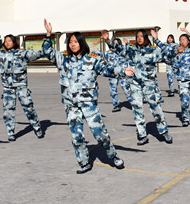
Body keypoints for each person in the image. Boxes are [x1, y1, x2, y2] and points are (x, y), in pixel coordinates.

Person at [43, 19, 132, 174]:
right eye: (70, 42)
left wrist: (122, 71)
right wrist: (48, 34)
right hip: (71, 105)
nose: (72, 44)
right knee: (76, 137)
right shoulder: (63, 58)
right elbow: (47, 51)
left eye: (75, 42)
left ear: (82, 43)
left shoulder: (92, 58)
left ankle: (113, 156)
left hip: (88, 103)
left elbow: (106, 69)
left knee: (100, 134)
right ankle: (84, 162)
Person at [104, 29, 172, 145]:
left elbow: (168, 56)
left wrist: (157, 40)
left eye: (141, 36)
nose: (139, 38)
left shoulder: (153, 51)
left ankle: (164, 131)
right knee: (137, 109)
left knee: (155, 107)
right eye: (137, 36)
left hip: (149, 84)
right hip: (134, 83)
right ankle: (142, 134)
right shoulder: (131, 50)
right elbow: (118, 49)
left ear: (146, 38)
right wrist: (107, 40)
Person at [0, 35, 45, 141]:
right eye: (5, 41)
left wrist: (47, 42)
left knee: (29, 108)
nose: (7, 43)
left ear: (14, 42)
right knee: (8, 111)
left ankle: (37, 128)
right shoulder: (1, 54)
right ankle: (10, 132)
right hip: (8, 88)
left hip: (21, 87)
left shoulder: (22, 54)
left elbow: (38, 53)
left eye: (10, 41)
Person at [153, 31, 190, 126]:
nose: (182, 41)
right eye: (180, 40)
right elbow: (165, 48)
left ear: (188, 41)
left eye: (184, 39)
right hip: (182, 81)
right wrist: (156, 39)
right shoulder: (176, 51)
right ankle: (185, 119)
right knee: (184, 102)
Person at [107, 37, 132, 112]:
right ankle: (116, 105)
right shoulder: (109, 53)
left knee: (126, 89)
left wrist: (127, 43)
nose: (114, 44)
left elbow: (130, 51)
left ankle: (133, 103)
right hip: (113, 74)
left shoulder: (122, 51)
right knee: (113, 90)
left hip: (122, 73)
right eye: (113, 43)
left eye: (116, 43)